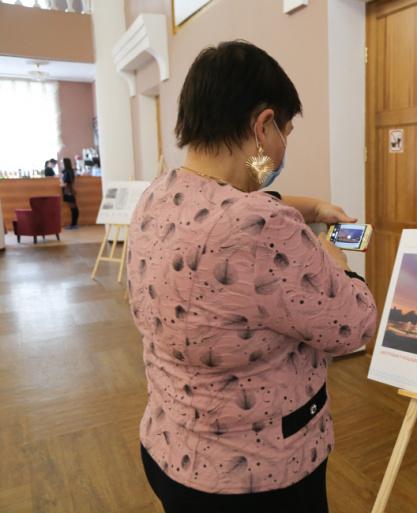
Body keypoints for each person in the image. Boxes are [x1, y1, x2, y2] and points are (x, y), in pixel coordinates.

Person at [126, 40, 377, 513]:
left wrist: (315, 208)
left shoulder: (158, 196)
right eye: (286, 131)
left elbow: (242, 198)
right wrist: (337, 261)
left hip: (171, 448)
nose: (282, 147)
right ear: (263, 127)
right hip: (256, 478)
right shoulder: (260, 227)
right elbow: (353, 325)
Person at [60, 158, 78, 229]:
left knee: (73, 208)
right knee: (73, 208)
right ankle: (74, 224)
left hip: (68, 191)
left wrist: (62, 184)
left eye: (62, 163)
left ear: (65, 163)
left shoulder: (67, 172)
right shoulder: (69, 171)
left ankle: (73, 225)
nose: (61, 164)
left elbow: (67, 183)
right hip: (69, 191)